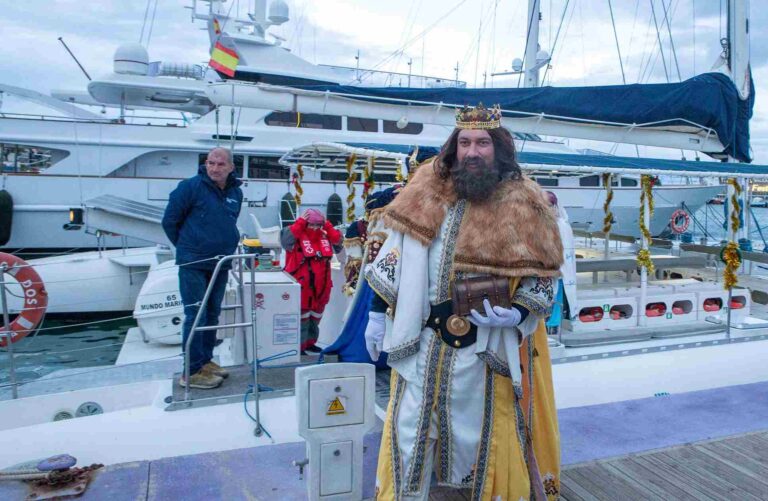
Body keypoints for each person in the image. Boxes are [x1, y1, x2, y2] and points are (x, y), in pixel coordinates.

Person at [364, 103, 564, 500]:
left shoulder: (526, 202)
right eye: (465, 142)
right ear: (454, 147)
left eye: (483, 143)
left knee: (485, 439)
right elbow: (394, 257)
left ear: (499, 148)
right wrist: (375, 313)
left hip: (484, 349)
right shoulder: (424, 192)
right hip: (422, 343)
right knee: (409, 434)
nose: (472, 152)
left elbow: (544, 276)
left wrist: (518, 313)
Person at [162, 147, 243, 389]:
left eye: (220, 164)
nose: (215, 168)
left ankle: (205, 361)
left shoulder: (235, 192)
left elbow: (230, 221)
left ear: (231, 167)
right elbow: (169, 221)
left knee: (212, 314)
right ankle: (191, 371)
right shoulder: (189, 187)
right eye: (211, 163)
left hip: (220, 263)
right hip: (194, 263)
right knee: (195, 314)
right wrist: (190, 248)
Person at [281, 208, 343, 354]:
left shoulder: (325, 236)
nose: (315, 228)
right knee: (301, 317)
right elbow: (285, 241)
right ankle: (298, 346)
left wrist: (327, 225)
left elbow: (338, 243)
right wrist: (300, 222)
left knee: (316, 316)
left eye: (318, 225)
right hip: (303, 286)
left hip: (322, 286)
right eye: (311, 224)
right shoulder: (294, 235)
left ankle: (310, 343)